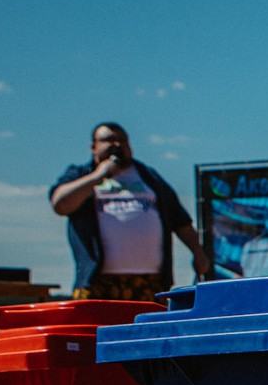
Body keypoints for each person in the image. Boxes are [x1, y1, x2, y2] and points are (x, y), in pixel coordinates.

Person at [49, 122, 210, 299]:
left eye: (122, 141)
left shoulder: (149, 177)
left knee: (148, 326)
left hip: (150, 283)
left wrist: (198, 252)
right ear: (93, 147)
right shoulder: (81, 175)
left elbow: (181, 222)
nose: (117, 145)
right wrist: (98, 175)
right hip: (97, 284)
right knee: (96, 327)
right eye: (109, 140)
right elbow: (60, 204)